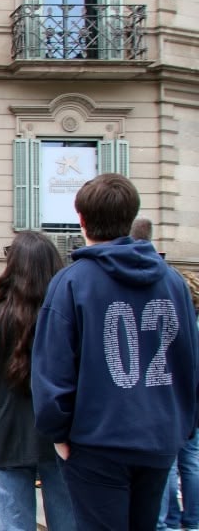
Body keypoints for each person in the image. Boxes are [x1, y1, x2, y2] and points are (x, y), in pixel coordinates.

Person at [32, 173, 199, 531]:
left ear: (81, 218)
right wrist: (183, 424)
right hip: (158, 435)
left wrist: (59, 434)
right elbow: (189, 362)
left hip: (97, 440)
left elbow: (53, 368)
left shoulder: (72, 281)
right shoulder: (173, 283)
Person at [0, 231, 75, 531]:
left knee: (14, 524)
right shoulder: (65, 313)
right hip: (61, 431)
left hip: (6, 433)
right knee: (68, 522)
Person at [159, 270, 199, 531]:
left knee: (169, 464)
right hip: (193, 402)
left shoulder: (173, 324)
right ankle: (194, 520)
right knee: (192, 460)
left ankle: (170, 521)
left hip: (172, 401)